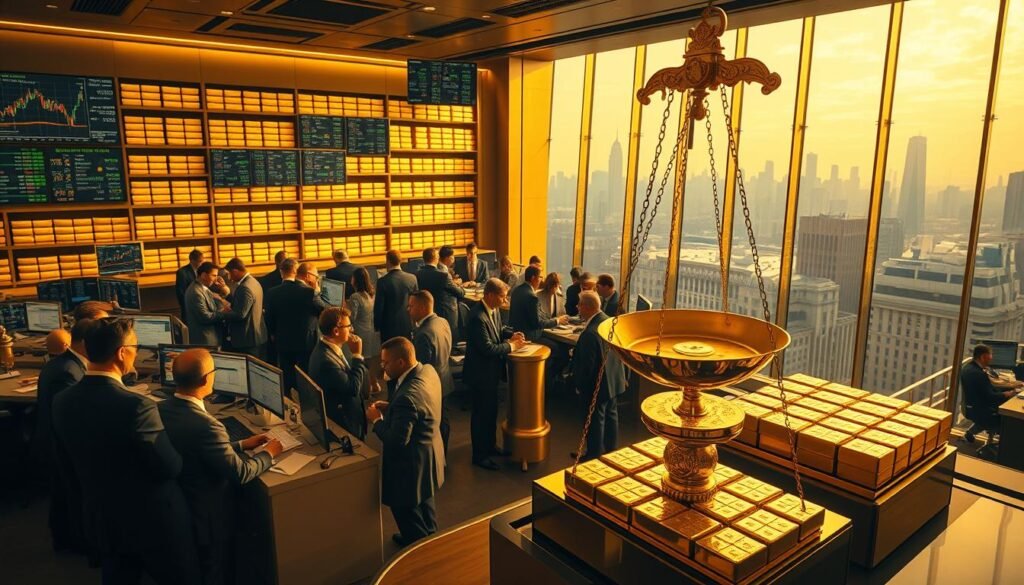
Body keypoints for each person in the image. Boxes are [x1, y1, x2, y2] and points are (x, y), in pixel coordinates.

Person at [52, 318, 199, 584]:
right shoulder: (136, 406)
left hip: (102, 517)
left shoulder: (62, 400)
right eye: (135, 346)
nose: (137, 352)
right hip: (153, 522)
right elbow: (169, 467)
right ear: (122, 353)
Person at [158, 349, 282, 585]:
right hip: (209, 513)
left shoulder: (162, 409)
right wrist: (268, 453)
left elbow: (195, 448)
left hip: (182, 502)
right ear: (206, 379)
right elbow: (240, 473)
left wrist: (241, 444)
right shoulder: (207, 425)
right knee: (216, 570)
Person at [366, 337, 445, 547]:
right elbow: (418, 406)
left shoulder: (406, 398)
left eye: (385, 363)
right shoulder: (427, 370)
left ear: (401, 363)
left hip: (409, 466)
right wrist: (392, 407)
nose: (382, 367)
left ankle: (418, 547)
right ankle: (430, 535)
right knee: (425, 501)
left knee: (406, 511)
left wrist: (376, 421)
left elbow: (396, 441)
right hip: (429, 453)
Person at [35, 320, 93, 554]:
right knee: (70, 494)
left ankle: (67, 539)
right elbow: (69, 416)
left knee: (63, 494)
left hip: (53, 440)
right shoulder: (69, 372)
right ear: (86, 343)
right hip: (60, 445)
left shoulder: (63, 364)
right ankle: (75, 543)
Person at [464, 279, 526, 470]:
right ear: (489, 295)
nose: (504, 299)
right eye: (502, 296)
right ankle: (479, 455)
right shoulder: (476, 316)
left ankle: (490, 446)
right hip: (480, 375)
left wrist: (511, 335)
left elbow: (497, 330)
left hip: (491, 374)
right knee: (481, 416)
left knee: (491, 413)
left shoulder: (494, 310)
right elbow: (487, 348)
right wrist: (512, 346)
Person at [573, 291, 627, 460]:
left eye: (579, 305)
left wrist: (579, 385)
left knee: (595, 421)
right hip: (613, 379)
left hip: (596, 385)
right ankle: (611, 452)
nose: (577, 308)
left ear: (587, 307)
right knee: (611, 417)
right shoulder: (609, 321)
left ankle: (593, 456)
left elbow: (587, 367)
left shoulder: (589, 334)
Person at [265, 260, 328, 393]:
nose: (317, 279)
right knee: (305, 375)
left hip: (283, 340)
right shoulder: (310, 293)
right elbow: (326, 312)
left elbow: (269, 319)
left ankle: (287, 402)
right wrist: (317, 290)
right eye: (316, 276)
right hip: (306, 341)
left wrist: (273, 334)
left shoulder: (272, 292)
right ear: (308, 275)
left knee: (286, 373)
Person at [308, 307, 367, 439]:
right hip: (344, 425)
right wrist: (357, 355)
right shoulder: (326, 361)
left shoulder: (324, 348)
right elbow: (353, 388)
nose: (351, 330)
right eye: (348, 326)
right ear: (336, 331)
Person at [408, 291, 453, 454]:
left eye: (411, 306)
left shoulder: (422, 334)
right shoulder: (443, 322)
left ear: (421, 307)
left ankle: (438, 459)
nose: (408, 310)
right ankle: (444, 456)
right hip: (445, 379)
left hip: (430, 386)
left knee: (433, 426)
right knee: (444, 421)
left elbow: (421, 367)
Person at [960, 344, 1022, 445]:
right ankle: (1005, 448)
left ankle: (969, 434)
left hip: (970, 407)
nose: (991, 359)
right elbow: (990, 398)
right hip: (980, 410)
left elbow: (985, 393)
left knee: (986, 417)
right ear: (983, 357)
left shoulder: (968, 367)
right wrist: (1007, 394)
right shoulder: (979, 374)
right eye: (990, 356)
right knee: (1011, 417)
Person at [416, 247, 465, 342]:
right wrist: (461, 287)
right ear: (436, 258)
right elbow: (460, 293)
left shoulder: (418, 274)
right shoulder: (443, 275)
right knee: (448, 340)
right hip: (445, 312)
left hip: (428, 311)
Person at [223, 258, 268, 359]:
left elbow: (240, 314)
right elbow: (244, 303)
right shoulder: (254, 282)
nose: (229, 278)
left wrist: (222, 313)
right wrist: (227, 295)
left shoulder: (245, 287)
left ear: (235, 271)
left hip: (247, 339)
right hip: (257, 335)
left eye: (229, 274)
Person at [510, 266, 568, 342]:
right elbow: (538, 323)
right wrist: (557, 321)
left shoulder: (516, 290)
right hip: (530, 337)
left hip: (516, 334)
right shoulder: (532, 297)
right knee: (558, 347)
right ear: (533, 278)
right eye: (540, 277)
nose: (541, 280)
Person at [374, 250, 419, 343]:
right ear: (400, 261)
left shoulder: (383, 281)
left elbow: (379, 306)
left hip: (388, 326)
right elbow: (416, 301)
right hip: (408, 323)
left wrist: (377, 325)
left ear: (388, 261)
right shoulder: (412, 278)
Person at [184, 261, 229, 347]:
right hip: (205, 339)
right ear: (204, 275)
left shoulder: (202, 287)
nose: (216, 279)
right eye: (214, 275)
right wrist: (223, 313)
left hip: (210, 337)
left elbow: (218, 301)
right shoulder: (196, 292)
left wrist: (223, 288)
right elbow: (205, 317)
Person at [347, 267, 381, 378]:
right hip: (372, 331)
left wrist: (344, 308)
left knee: (361, 360)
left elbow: (352, 317)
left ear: (356, 280)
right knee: (370, 360)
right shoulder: (372, 294)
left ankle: (365, 385)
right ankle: (373, 383)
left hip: (360, 332)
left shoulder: (355, 297)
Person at [175, 249, 204, 321]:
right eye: (199, 261)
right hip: (188, 305)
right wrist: (187, 307)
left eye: (202, 261)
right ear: (192, 260)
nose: (201, 264)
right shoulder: (182, 272)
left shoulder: (202, 271)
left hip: (200, 303)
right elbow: (181, 292)